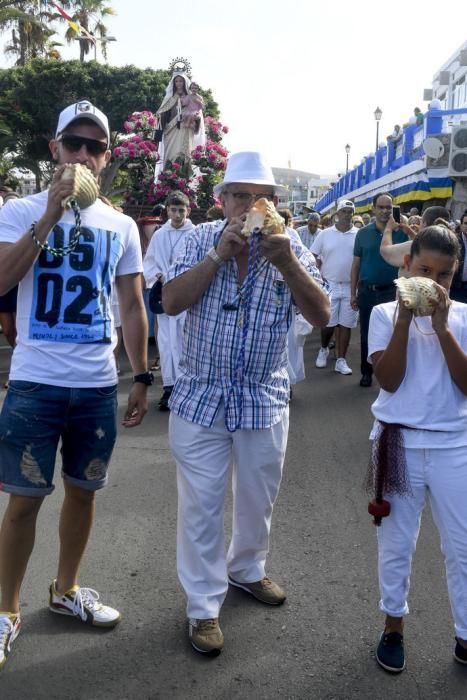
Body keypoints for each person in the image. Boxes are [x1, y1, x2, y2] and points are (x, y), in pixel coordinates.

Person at [0, 100, 151, 671]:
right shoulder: (19, 211)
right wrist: (50, 215)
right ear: (54, 149)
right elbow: (3, 278)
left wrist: (140, 375)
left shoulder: (121, 224)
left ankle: (66, 590)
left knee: (83, 494)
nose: (82, 154)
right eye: (73, 144)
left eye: (94, 147)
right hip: (35, 384)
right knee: (23, 502)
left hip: (94, 385)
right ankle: (6, 612)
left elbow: (132, 305)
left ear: (106, 157)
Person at [161, 151, 330, 655]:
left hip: (262, 397)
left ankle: (247, 570)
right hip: (201, 396)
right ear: (221, 199)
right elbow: (169, 303)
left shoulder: (291, 245)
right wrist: (216, 255)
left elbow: (322, 314)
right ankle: (203, 607)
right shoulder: (195, 239)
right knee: (201, 507)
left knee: (259, 497)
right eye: (238, 195)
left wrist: (288, 262)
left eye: (259, 197)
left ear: (274, 203)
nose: (248, 206)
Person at [367, 225, 467, 673]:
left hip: (455, 445)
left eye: (444, 275)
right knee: (396, 543)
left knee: (462, 547)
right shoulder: (385, 314)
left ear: (455, 276)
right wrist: (407, 319)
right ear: (406, 267)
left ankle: (465, 634)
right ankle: (393, 627)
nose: (434, 282)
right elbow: (389, 379)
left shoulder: (463, 317)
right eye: (425, 270)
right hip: (399, 441)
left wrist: (443, 328)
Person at [143, 191, 195, 411]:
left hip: (188, 297)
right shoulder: (159, 235)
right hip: (166, 295)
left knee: (187, 342)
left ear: (188, 211)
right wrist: (160, 276)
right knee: (166, 343)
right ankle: (169, 388)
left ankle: (188, 388)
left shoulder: (195, 234)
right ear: (167, 211)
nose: (177, 214)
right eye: (173, 210)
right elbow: (150, 262)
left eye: (181, 210)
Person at [350, 192, 407, 387]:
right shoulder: (363, 233)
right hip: (368, 292)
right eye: (381, 207)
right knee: (367, 334)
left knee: (393, 334)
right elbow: (356, 265)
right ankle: (367, 372)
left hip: (393, 292)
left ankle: (391, 374)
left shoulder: (401, 232)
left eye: (388, 207)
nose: (385, 211)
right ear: (373, 209)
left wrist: (409, 228)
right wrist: (353, 293)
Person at [312, 200, 359, 375]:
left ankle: (341, 360)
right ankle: (323, 349)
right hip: (329, 284)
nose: (347, 214)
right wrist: (317, 276)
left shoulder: (358, 234)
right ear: (337, 214)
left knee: (346, 324)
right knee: (328, 323)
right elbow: (313, 256)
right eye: (344, 211)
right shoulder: (324, 234)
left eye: (350, 211)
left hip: (350, 286)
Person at [156, 72, 206, 169]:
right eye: (176, 81)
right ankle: (167, 176)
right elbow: (162, 112)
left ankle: (182, 178)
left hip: (185, 128)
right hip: (170, 129)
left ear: (185, 83)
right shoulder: (169, 97)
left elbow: (197, 111)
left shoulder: (191, 97)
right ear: (173, 83)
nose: (178, 83)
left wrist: (195, 117)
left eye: (181, 81)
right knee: (170, 154)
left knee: (183, 153)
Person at [380, 205, 450, 268]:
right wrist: (411, 232)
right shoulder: (449, 244)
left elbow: (385, 251)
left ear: (424, 223)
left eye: (420, 221)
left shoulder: (416, 246)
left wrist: (388, 228)